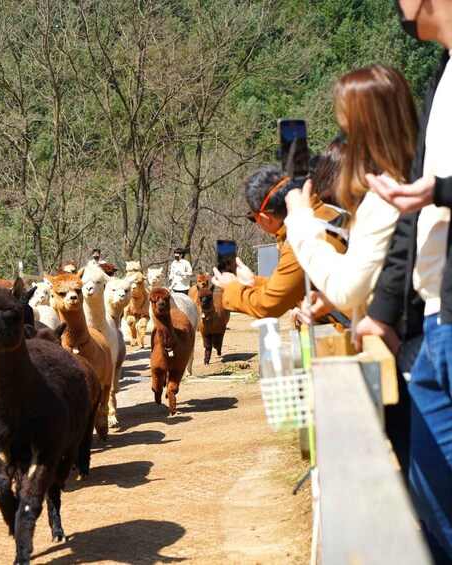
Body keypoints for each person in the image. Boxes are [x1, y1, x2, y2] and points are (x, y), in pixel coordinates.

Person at [355, 3, 452, 560]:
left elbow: (424, 194)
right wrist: (385, 312)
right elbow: (413, 210)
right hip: (433, 320)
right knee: (432, 513)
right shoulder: (442, 74)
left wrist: (439, 190)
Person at [284, 64, 417, 323]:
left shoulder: (388, 195)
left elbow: (347, 288)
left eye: (347, 132)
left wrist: (300, 222)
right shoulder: (418, 181)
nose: (343, 145)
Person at [212, 166, 346, 319]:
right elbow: (292, 287)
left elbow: (268, 305)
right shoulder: (328, 213)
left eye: (254, 218)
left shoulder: (300, 240)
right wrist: (253, 282)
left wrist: (231, 288)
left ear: (265, 218)